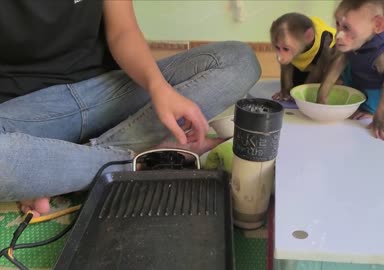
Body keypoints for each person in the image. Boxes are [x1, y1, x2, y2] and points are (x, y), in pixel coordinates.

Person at [0, 0, 261, 217]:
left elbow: (122, 31)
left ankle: (66, 167)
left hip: (103, 90)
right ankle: (141, 160)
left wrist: (158, 87)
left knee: (239, 60)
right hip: (23, 111)